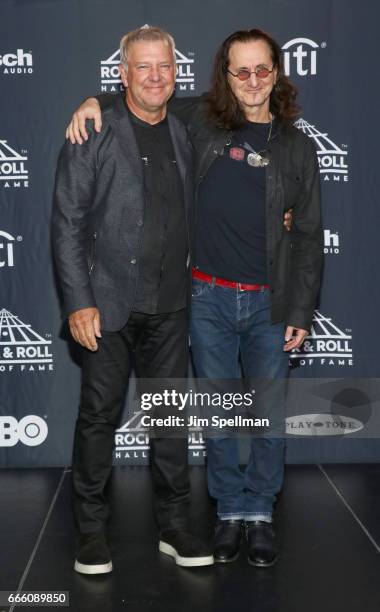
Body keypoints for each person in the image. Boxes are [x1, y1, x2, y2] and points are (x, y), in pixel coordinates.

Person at [66, 28, 323, 568]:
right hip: (201, 299)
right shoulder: (204, 122)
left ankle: (257, 515)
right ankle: (227, 512)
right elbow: (143, 95)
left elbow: (308, 235)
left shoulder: (298, 147)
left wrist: (301, 310)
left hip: (257, 306)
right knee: (214, 416)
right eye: (241, 71)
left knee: (263, 419)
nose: (252, 81)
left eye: (262, 69)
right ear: (225, 78)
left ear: (276, 73)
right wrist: (94, 100)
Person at [52, 26, 214, 575]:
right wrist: (78, 301)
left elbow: (239, 104)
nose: (154, 77)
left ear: (176, 72)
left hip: (171, 304)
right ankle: (91, 533)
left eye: (164, 67)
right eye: (142, 67)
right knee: (98, 416)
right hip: (107, 303)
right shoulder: (94, 128)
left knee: (170, 419)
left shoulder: (188, 125)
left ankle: (174, 526)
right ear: (122, 73)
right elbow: (68, 221)